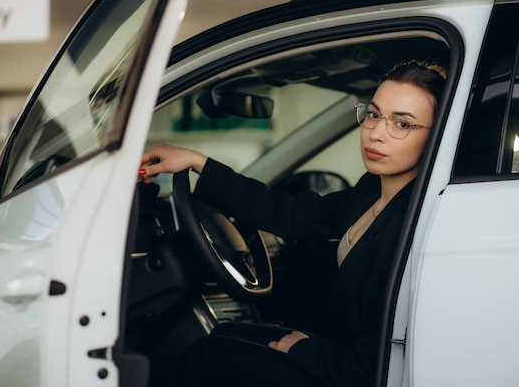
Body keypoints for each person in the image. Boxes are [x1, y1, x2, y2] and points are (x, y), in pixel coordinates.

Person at [138, 60, 447, 387]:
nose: (376, 133)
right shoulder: (371, 192)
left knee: (207, 355)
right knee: (224, 334)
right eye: (373, 114)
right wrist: (198, 162)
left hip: (356, 373)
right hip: (344, 354)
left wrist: (309, 350)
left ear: (437, 134)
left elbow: (371, 368)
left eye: (402, 123)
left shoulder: (414, 223)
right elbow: (290, 214)